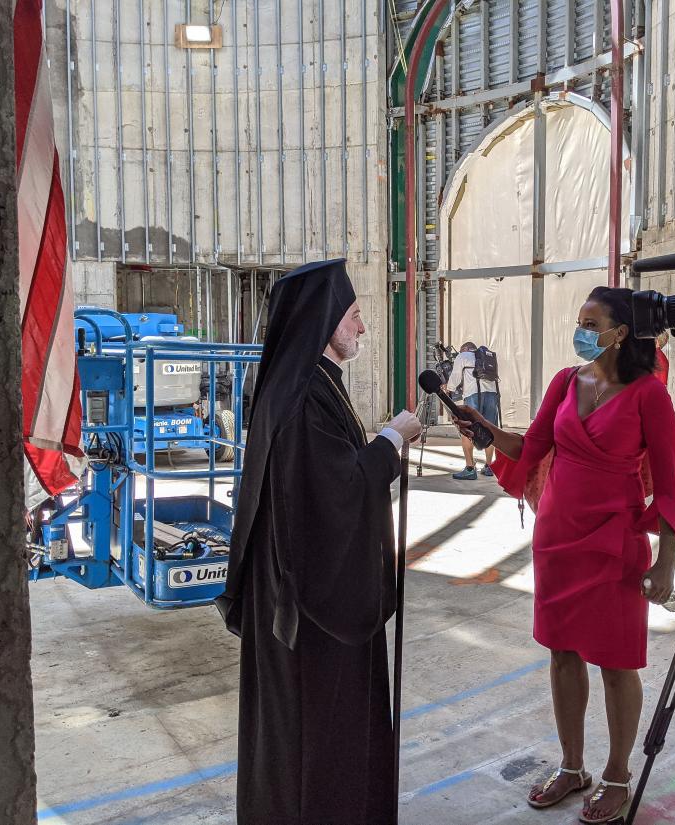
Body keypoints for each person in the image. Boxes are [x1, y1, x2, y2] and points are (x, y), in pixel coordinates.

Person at [457, 286, 675, 824]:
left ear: (621, 332)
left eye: (592, 323)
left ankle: (617, 774)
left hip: (615, 543)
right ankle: (571, 767)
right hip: (557, 539)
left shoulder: (649, 395)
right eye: (580, 322)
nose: (581, 332)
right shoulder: (566, 381)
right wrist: (488, 431)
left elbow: (667, 487)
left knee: (616, 663)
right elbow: (531, 447)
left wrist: (665, 561)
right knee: (562, 653)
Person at [216, 259, 422, 825]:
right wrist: (390, 440)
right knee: (315, 735)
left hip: (290, 589)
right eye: (353, 316)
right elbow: (336, 494)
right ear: (325, 320)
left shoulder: (305, 384)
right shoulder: (307, 394)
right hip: (309, 606)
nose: (362, 327)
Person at [447, 341, 499, 480]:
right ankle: (489, 466)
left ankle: (470, 468)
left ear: (464, 349)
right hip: (492, 395)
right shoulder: (487, 356)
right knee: (490, 430)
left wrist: (448, 388)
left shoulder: (462, 356)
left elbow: (455, 378)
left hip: (473, 396)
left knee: (467, 429)